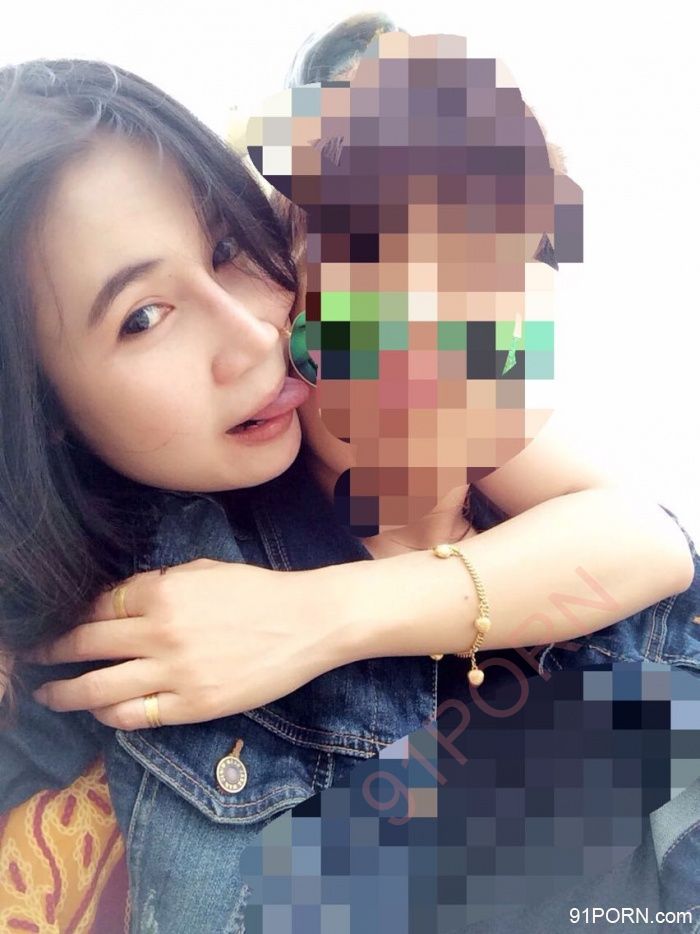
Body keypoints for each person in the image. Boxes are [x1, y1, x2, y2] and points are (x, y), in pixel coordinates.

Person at [0, 20, 695, 934]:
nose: (253, 335)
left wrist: (319, 617)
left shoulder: (523, 487)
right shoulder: (127, 606)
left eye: (226, 248)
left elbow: (651, 543)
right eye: (142, 317)